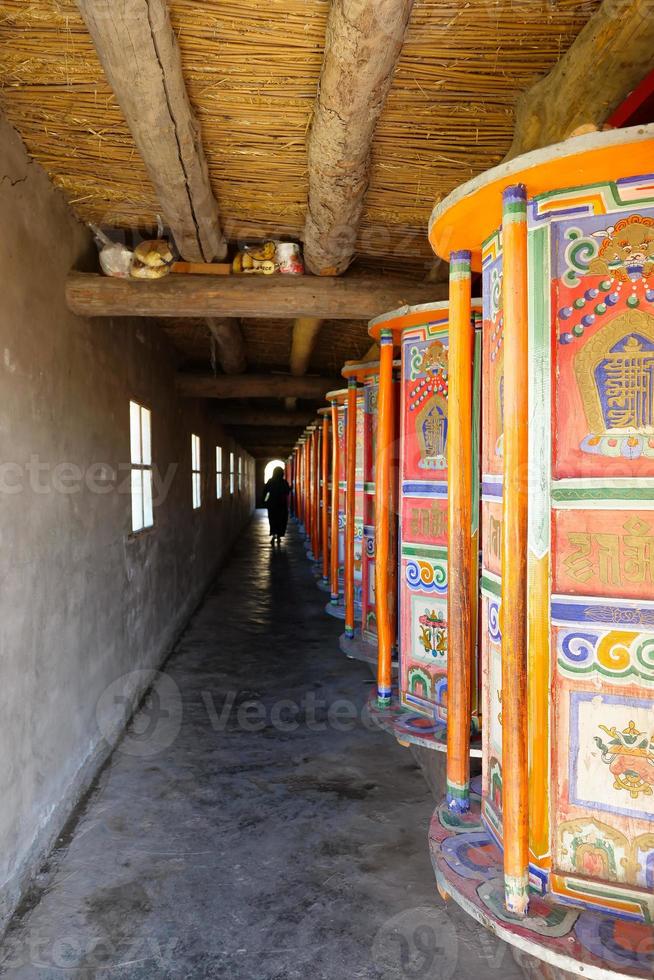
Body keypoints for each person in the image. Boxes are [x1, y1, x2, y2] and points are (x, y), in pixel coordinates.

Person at [264, 467, 291, 545]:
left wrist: (265, 501)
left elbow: (266, 492)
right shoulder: (284, 482)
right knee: (281, 520)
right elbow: (287, 492)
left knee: (272, 520)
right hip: (281, 505)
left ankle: (273, 535)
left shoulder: (270, 481)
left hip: (272, 505)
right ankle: (279, 536)